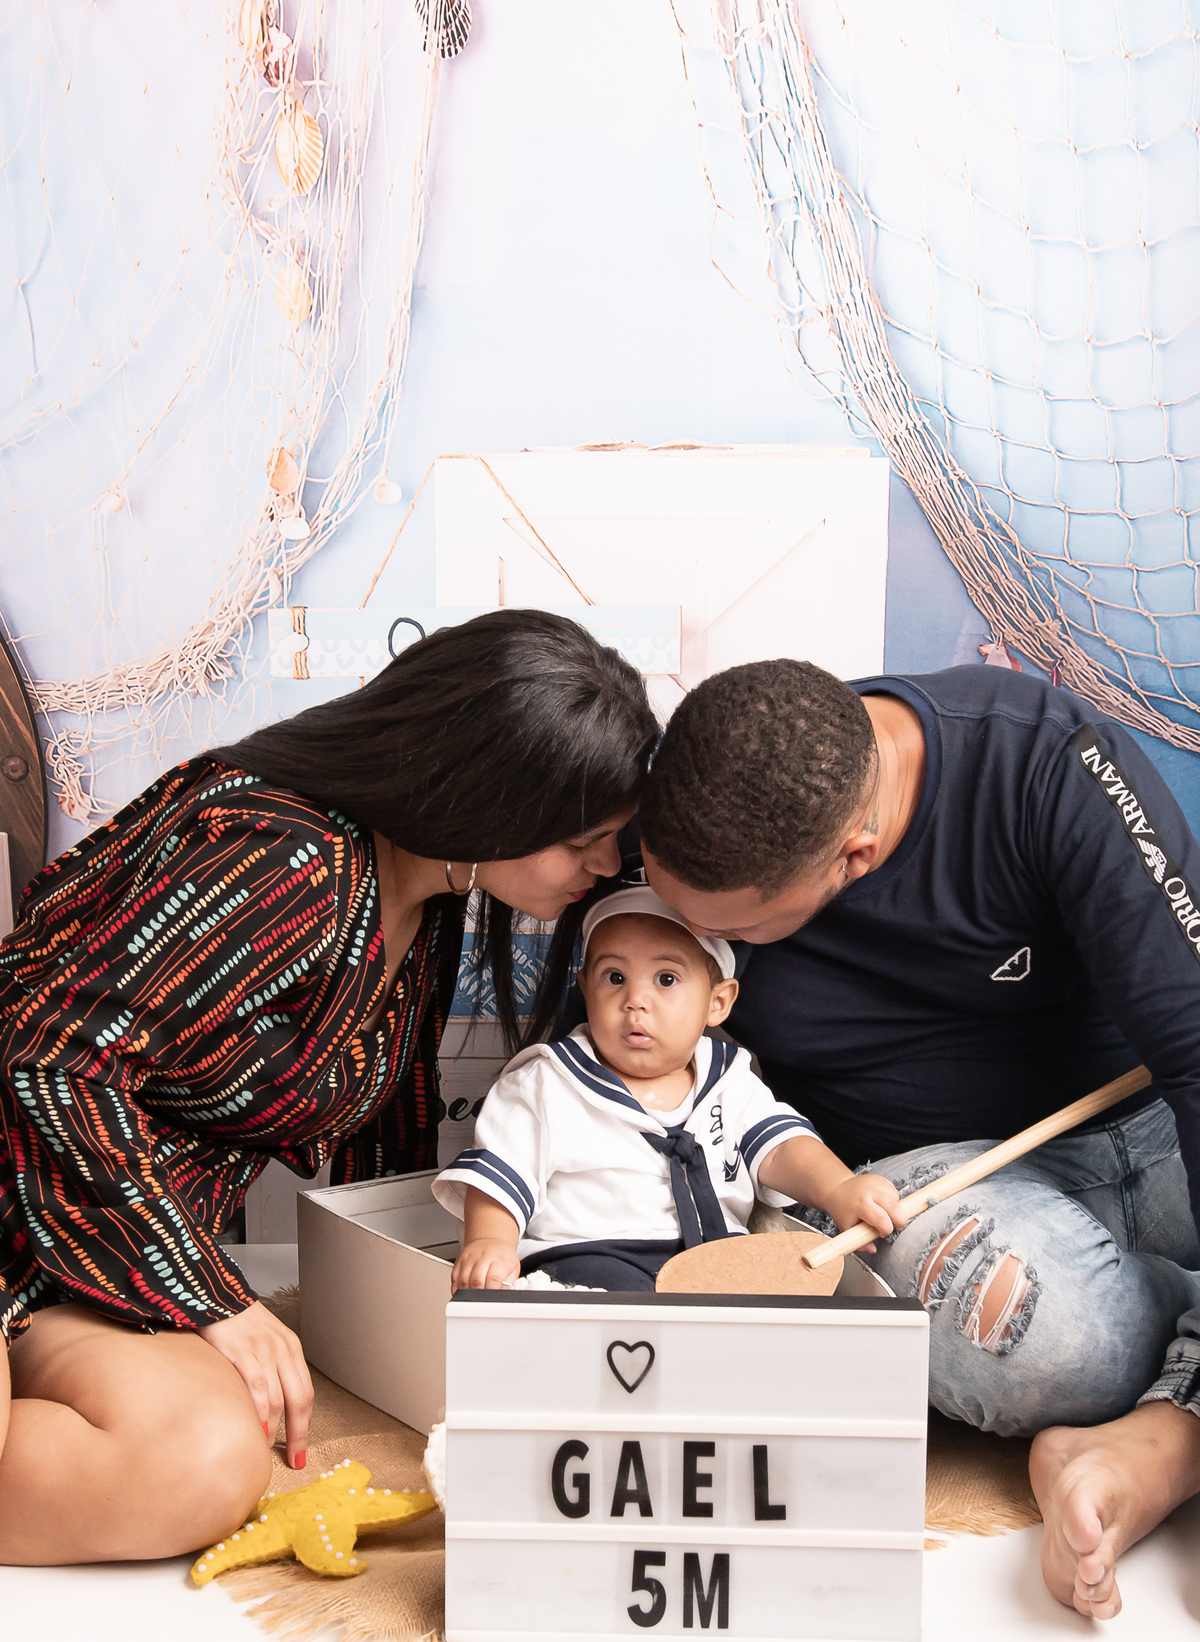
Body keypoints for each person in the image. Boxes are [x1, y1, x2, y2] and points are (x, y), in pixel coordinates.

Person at [0, 608, 659, 1567]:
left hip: (83, 1269)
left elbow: (385, 1127)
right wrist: (214, 1299)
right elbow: (50, 1058)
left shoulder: (427, 896)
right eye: (585, 839)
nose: (604, 867)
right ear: (489, 800)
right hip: (38, 1212)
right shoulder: (286, 854)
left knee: (206, 1461)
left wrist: (420, 1293)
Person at [636, 657, 1200, 1621]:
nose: (678, 937)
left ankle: (1164, 1444)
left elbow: (1193, 1049)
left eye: (726, 928)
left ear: (852, 858)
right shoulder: (690, 822)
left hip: (1150, 1130)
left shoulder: (1046, 760)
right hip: (929, 1191)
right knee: (1048, 1340)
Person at [437, 883, 906, 1292]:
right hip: (594, 1253)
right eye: (614, 978)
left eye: (666, 979)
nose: (635, 1000)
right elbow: (502, 1172)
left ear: (717, 1002)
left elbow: (784, 1148)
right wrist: (490, 1242)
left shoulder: (730, 1081)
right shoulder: (546, 1083)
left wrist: (838, 1187)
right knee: (618, 1305)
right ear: (585, 987)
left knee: (776, 1296)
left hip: (718, 1258)